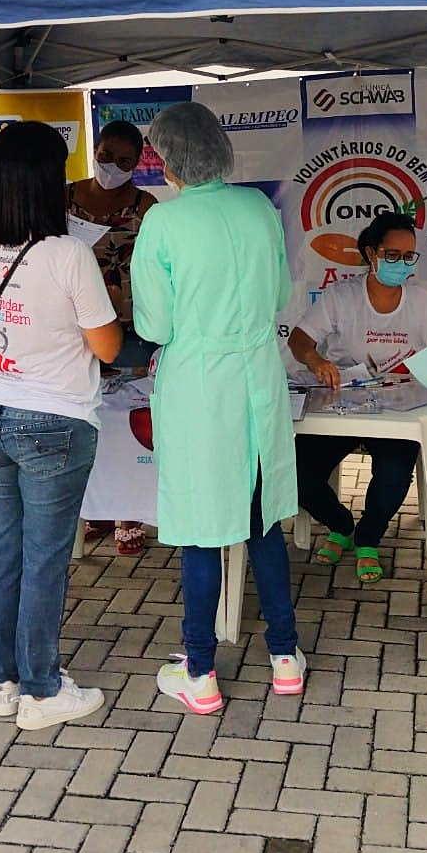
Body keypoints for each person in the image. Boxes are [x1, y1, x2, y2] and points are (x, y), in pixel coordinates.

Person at [130, 102, 305, 714]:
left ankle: (200, 672)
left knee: (202, 532)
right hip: (258, 376)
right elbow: (281, 294)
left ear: (167, 159)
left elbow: (154, 323)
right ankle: (285, 657)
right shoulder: (259, 208)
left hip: (201, 386)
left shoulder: (163, 224)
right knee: (262, 523)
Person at [0, 121, 121, 730]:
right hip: (54, 418)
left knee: (3, 548)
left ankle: (4, 679)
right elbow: (106, 347)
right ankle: (43, 689)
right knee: (44, 556)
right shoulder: (68, 254)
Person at [288, 212, 427, 584]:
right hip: (341, 404)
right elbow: (299, 339)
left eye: (409, 256)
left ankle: (369, 537)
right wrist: (317, 360)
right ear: (371, 253)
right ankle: (340, 523)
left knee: (396, 470)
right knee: (295, 470)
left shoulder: (426, 303)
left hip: (400, 410)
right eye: (392, 255)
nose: (401, 264)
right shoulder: (341, 297)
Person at [68, 119, 159, 556]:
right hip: (71, 326)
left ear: (138, 162)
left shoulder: (148, 206)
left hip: (129, 326)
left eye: (125, 161)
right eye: (106, 156)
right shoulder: (63, 196)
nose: (113, 167)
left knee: (126, 419)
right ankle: (92, 507)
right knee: (84, 415)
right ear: (95, 148)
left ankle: (128, 511)